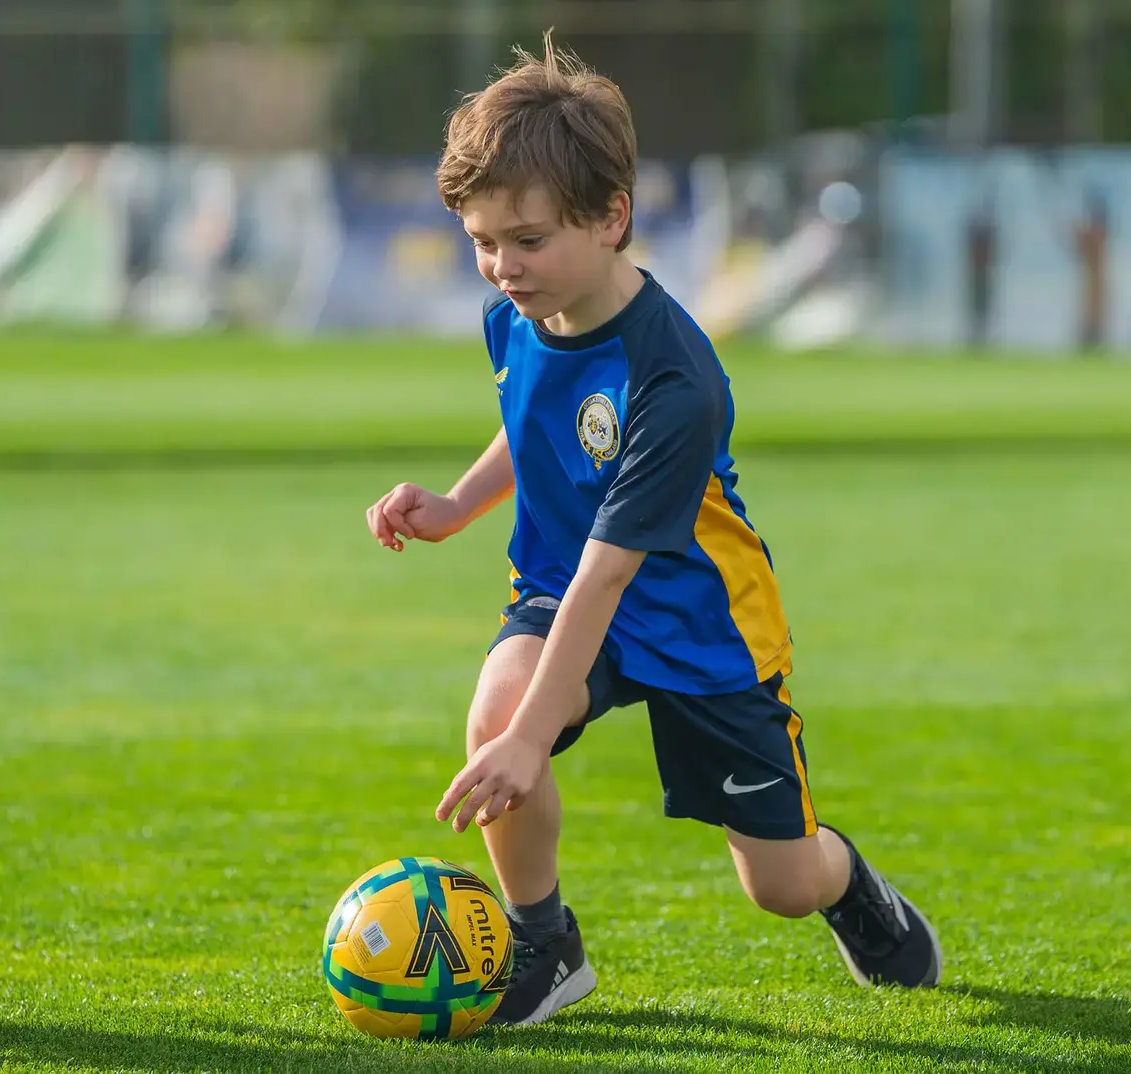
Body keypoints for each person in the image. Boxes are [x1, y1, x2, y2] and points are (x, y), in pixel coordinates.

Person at [364, 34, 941, 1027]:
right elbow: (533, 422)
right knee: (502, 718)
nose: (502, 266)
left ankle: (849, 883)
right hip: (562, 580)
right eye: (482, 241)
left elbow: (610, 578)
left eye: (528, 240)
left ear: (612, 216)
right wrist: (460, 506)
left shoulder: (674, 380)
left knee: (778, 884)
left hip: (695, 621)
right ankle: (544, 944)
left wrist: (530, 745)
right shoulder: (517, 313)